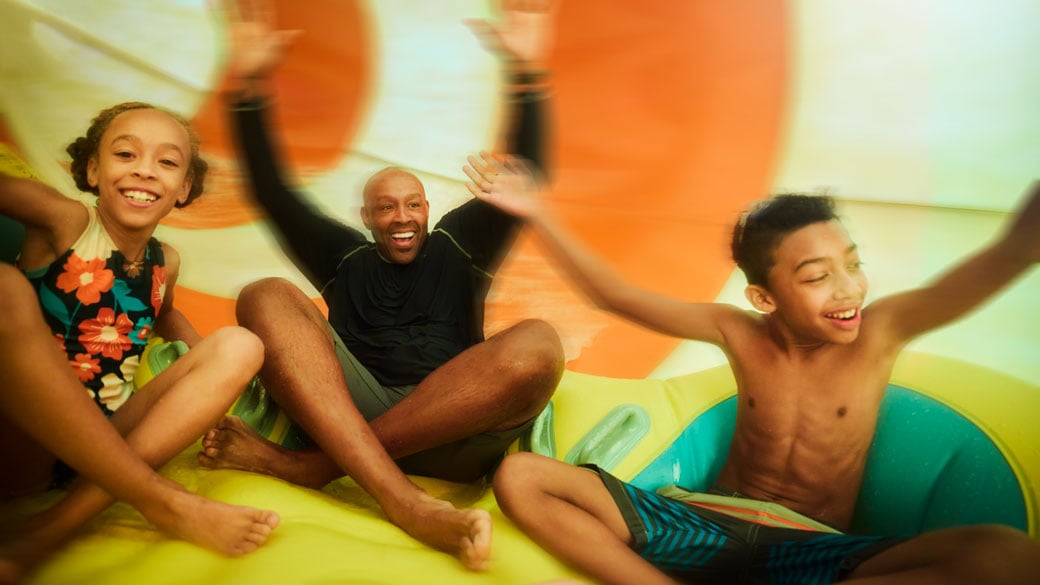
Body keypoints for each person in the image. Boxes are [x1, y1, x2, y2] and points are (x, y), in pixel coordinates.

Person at [463, 154, 1040, 585]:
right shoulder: (737, 331)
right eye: (817, 277)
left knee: (1008, 555)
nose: (849, 289)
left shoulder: (881, 332)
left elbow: (1003, 257)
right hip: (702, 523)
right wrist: (537, 209)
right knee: (522, 477)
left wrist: (1027, 237)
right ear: (764, 299)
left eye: (854, 264)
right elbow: (614, 295)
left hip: (810, 548)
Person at [196, 0, 564, 571]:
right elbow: (273, 192)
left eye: (412, 204)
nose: (401, 217)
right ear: (366, 218)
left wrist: (527, 73)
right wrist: (249, 85)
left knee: (539, 342)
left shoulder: (460, 243)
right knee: (264, 294)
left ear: (427, 208)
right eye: (385, 207)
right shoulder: (343, 257)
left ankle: (313, 468)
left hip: (456, 428)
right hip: (353, 412)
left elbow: (525, 173)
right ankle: (401, 500)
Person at [0, 102, 280, 583]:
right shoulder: (64, 221)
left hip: (104, 442)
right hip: (24, 440)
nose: (145, 171)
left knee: (240, 345)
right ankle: (159, 502)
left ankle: (57, 523)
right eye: (126, 154)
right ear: (92, 168)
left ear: (185, 187)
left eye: (167, 162)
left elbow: (162, 312)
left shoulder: (164, 262)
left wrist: (210, 375)